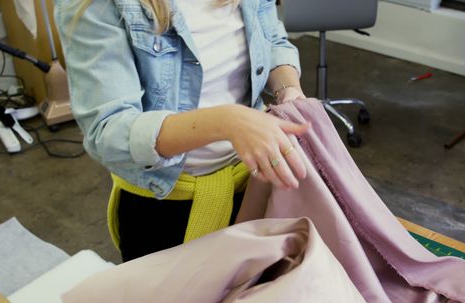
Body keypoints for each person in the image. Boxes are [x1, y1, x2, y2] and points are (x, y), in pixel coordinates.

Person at [55, 0, 311, 261]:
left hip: (253, 188)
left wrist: (287, 88)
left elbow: (272, 40)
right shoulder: (100, 5)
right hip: (165, 208)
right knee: (170, 300)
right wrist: (226, 122)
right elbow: (109, 131)